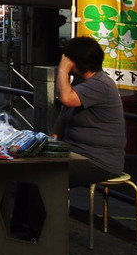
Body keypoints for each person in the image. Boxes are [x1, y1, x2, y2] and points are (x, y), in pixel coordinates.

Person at [53, 36, 126, 187]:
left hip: (98, 161)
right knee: (30, 172)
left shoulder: (100, 84)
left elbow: (66, 98)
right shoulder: (82, 81)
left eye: (67, 59)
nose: (64, 62)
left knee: (47, 176)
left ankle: (51, 211)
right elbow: (64, 113)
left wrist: (62, 70)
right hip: (75, 152)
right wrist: (53, 141)